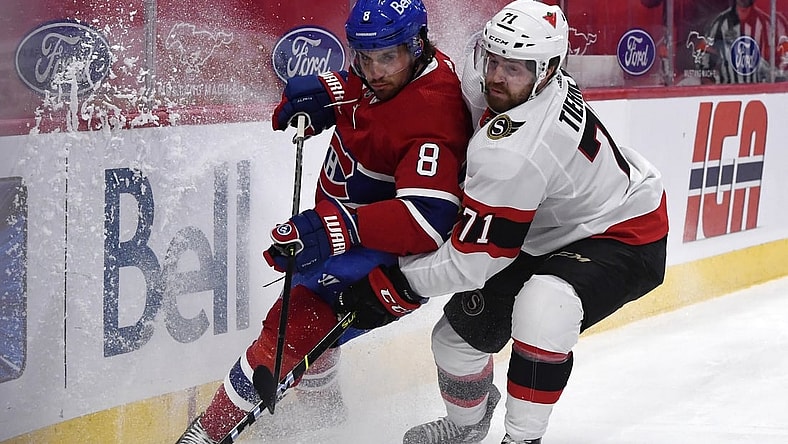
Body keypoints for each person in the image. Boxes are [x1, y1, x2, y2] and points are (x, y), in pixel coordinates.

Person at [334, 1, 669, 443]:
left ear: (548, 70)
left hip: (622, 230)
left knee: (544, 307)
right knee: (454, 344)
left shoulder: (516, 152)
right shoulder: (523, 84)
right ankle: (466, 426)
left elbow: (475, 261)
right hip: (544, 227)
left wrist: (396, 281)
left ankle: (522, 439)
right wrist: (332, 92)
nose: (495, 76)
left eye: (513, 68)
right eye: (492, 60)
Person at [175, 0, 472, 442]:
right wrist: (333, 92)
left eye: (386, 57)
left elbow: (427, 220)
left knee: (291, 329)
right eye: (363, 58)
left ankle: (206, 435)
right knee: (310, 325)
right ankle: (323, 413)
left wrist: (337, 227)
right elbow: (367, 94)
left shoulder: (433, 114)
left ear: (417, 45)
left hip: (385, 258)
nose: (373, 72)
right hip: (348, 234)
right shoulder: (396, 73)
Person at [696, 0, 788, 83]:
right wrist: (708, 83)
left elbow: (781, 60)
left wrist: (775, 81)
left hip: (760, 91)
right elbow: (704, 52)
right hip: (728, 90)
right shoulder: (720, 23)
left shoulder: (767, 24)